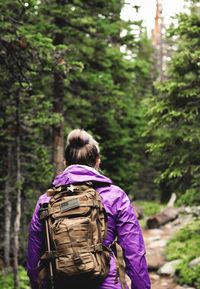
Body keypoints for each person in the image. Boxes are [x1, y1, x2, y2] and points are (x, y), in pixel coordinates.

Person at [26, 129, 151, 289]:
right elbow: (135, 254)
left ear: (65, 162)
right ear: (97, 162)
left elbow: (34, 257)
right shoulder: (115, 196)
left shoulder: (46, 200)